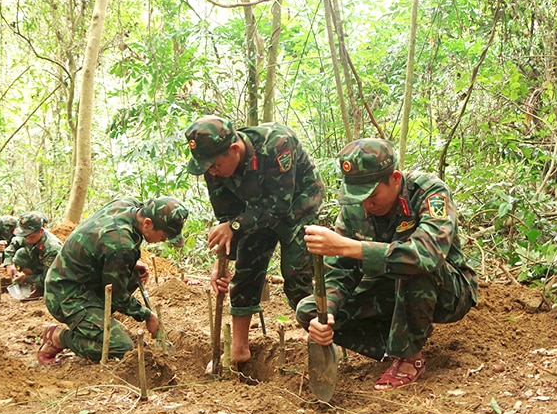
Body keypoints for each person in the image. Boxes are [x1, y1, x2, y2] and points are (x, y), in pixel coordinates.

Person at [296, 138, 478, 389]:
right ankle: (390, 348)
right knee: (310, 310)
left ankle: (409, 356)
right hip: (388, 291)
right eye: (356, 196)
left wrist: (346, 246)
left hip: (447, 291)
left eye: (371, 195)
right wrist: (326, 316)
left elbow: (427, 255)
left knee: (412, 264)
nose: (365, 205)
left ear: (394, 178)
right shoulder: (354, 211)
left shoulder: (428, 192)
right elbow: (341, 273)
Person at [184, 115, 324, 367]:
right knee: (247, 267)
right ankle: (239, 349)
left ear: (234, 150)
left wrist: (236, 225)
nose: (211, 172)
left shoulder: (277, 144)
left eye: (214, 166)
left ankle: (314, 332)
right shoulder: (213, 166)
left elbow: (280, 206)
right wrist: (223, 260)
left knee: (295, 271)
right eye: (207, 167)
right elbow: (227, 216)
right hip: (256, 209)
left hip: (297, 202)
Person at [37, 196, 189, 365]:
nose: (164, 240)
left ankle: (95, 323)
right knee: (121, 347)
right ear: (147, 223)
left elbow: (102, 243)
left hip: (81, 279)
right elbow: (117, 294)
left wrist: (128, 263)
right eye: (164, 235)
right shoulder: (121, 244)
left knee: (131, 276)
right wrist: (147, 315)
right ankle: (59, 337)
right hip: (65, 294)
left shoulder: (128, 205)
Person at [4, 212, 63, 299]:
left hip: (57, 275)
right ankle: (36, 285)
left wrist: (27, 278)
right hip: (38, 264)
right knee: (21, 254)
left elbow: (51, 277)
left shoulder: (52, 248)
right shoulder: (27, 235)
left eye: (31, 237)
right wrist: (9, 264)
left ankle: (42, 288)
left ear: (41, 231)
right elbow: (12, 246)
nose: (27, 240)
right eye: (25, 236)